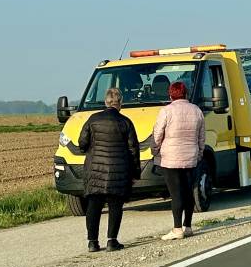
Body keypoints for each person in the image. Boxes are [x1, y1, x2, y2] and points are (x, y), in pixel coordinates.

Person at [78, 87, 140, 253]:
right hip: (118, 171)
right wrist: (136, 172)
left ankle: (92, 242)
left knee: (94, 206)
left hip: (95, 170)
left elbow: (82, 143)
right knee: (115, 206)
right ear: (120, 103)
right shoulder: (125, 122)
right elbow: (133, 149)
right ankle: (112, 241)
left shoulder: (93, 119)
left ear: (105, 102)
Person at [153, 81, 205, 240]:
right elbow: (201, 137)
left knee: (176, 194)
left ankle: (177, 229)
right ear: (186, 94)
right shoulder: (196, 110)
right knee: (188, 192)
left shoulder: (166, 111)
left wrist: (155, 151)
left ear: (170, 95)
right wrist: (199, 153)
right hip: (190, 157)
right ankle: (187, 226)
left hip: (170, 158)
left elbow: (157, 134)